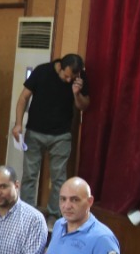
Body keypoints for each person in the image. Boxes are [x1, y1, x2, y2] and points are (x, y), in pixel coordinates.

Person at [12, 54, 90, 220]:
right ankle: (27, 215)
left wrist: (76, 94)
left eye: (72, 77)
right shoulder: (42, 71)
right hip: (35, 131)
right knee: (30, 175)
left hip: (61, 135)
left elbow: (83, 106)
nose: (68, 80)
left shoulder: (80, 78)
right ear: (60, 66)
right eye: (66, 76)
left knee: (59, 178)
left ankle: (55, 215)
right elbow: (23, 97)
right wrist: (18, 123)